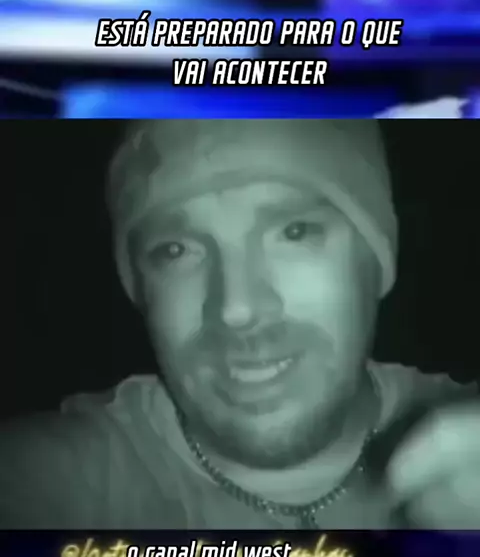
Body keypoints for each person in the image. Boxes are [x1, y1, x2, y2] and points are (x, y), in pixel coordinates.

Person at [0, 119, 478, 530]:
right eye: (176, 251)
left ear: (378, 258)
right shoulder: (50, 484)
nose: (237, 309)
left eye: (294, 232)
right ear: (140, 288)